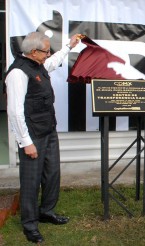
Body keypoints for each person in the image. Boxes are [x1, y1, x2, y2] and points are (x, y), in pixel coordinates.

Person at [5, 32, 81, 243]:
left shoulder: (38, 64)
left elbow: (53, 63)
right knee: (31, 181)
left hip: (48, 130)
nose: (49, 54)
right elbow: (15, 112)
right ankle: (29, 224)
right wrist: (26, 142)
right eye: (46, 51)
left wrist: (69, 46)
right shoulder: (18, 74)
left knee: (52, 174)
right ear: (33, 51)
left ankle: (46, 211)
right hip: (32, 136)